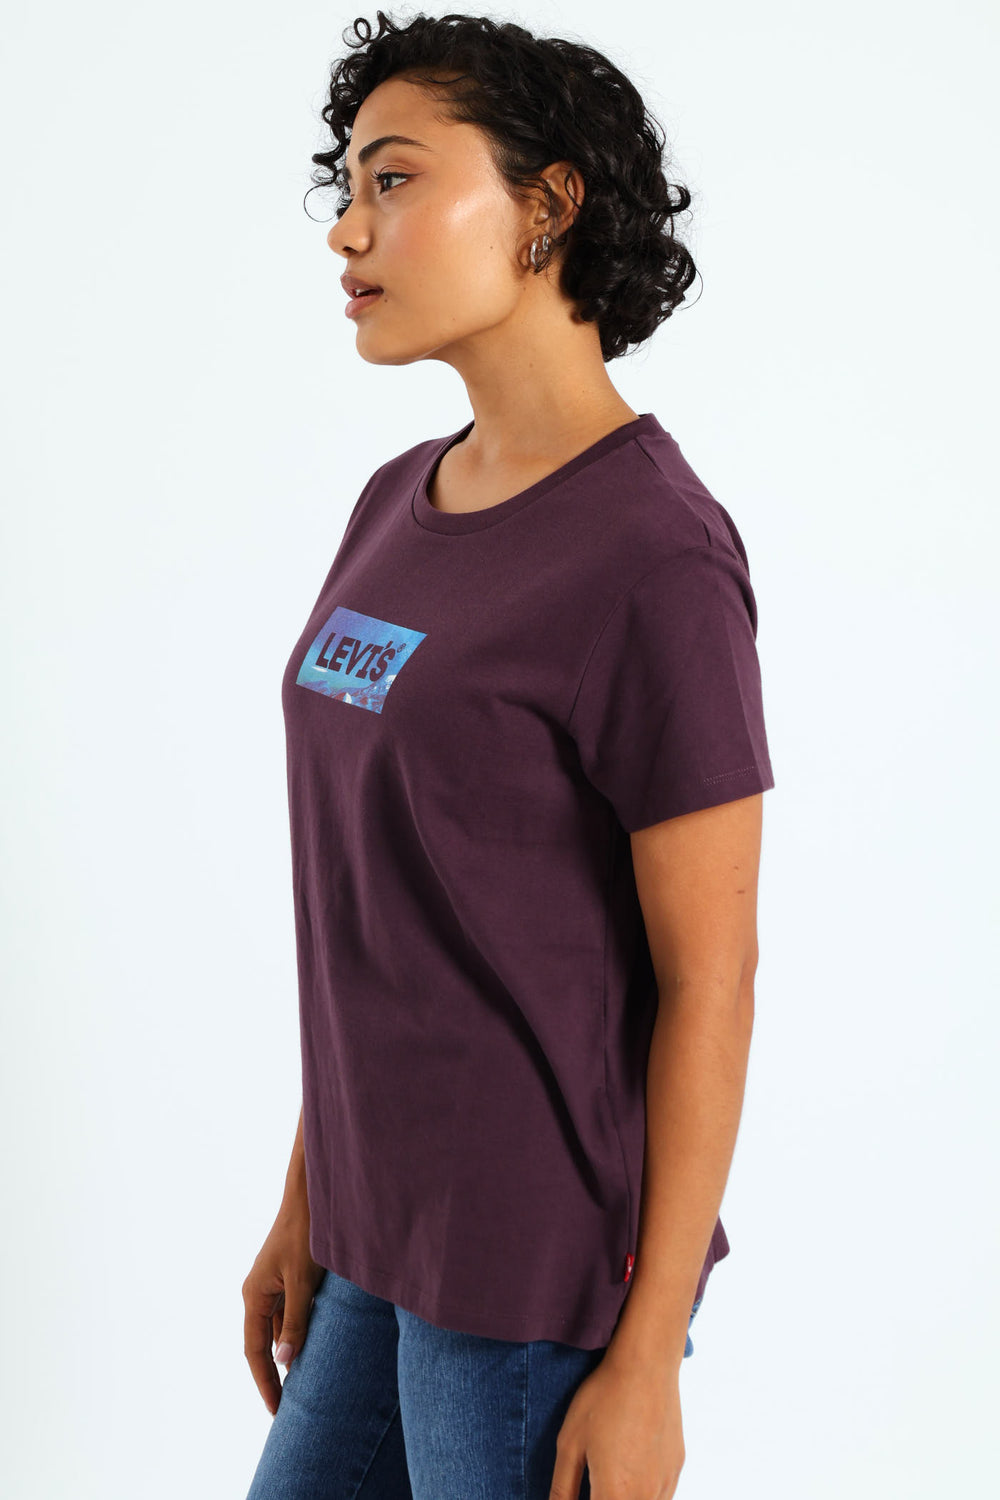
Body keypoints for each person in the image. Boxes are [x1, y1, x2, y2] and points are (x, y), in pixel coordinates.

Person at [242, 12, 775, 1499]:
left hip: (532, 1284)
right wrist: (309, 1197)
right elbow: (396, 912)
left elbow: (712, 980)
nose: (348, 228)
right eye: (347, 185)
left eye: (396, 179)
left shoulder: (655, 557)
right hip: (375, 1237)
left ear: (548, 205)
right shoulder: (395, 503)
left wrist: (647, 1359)